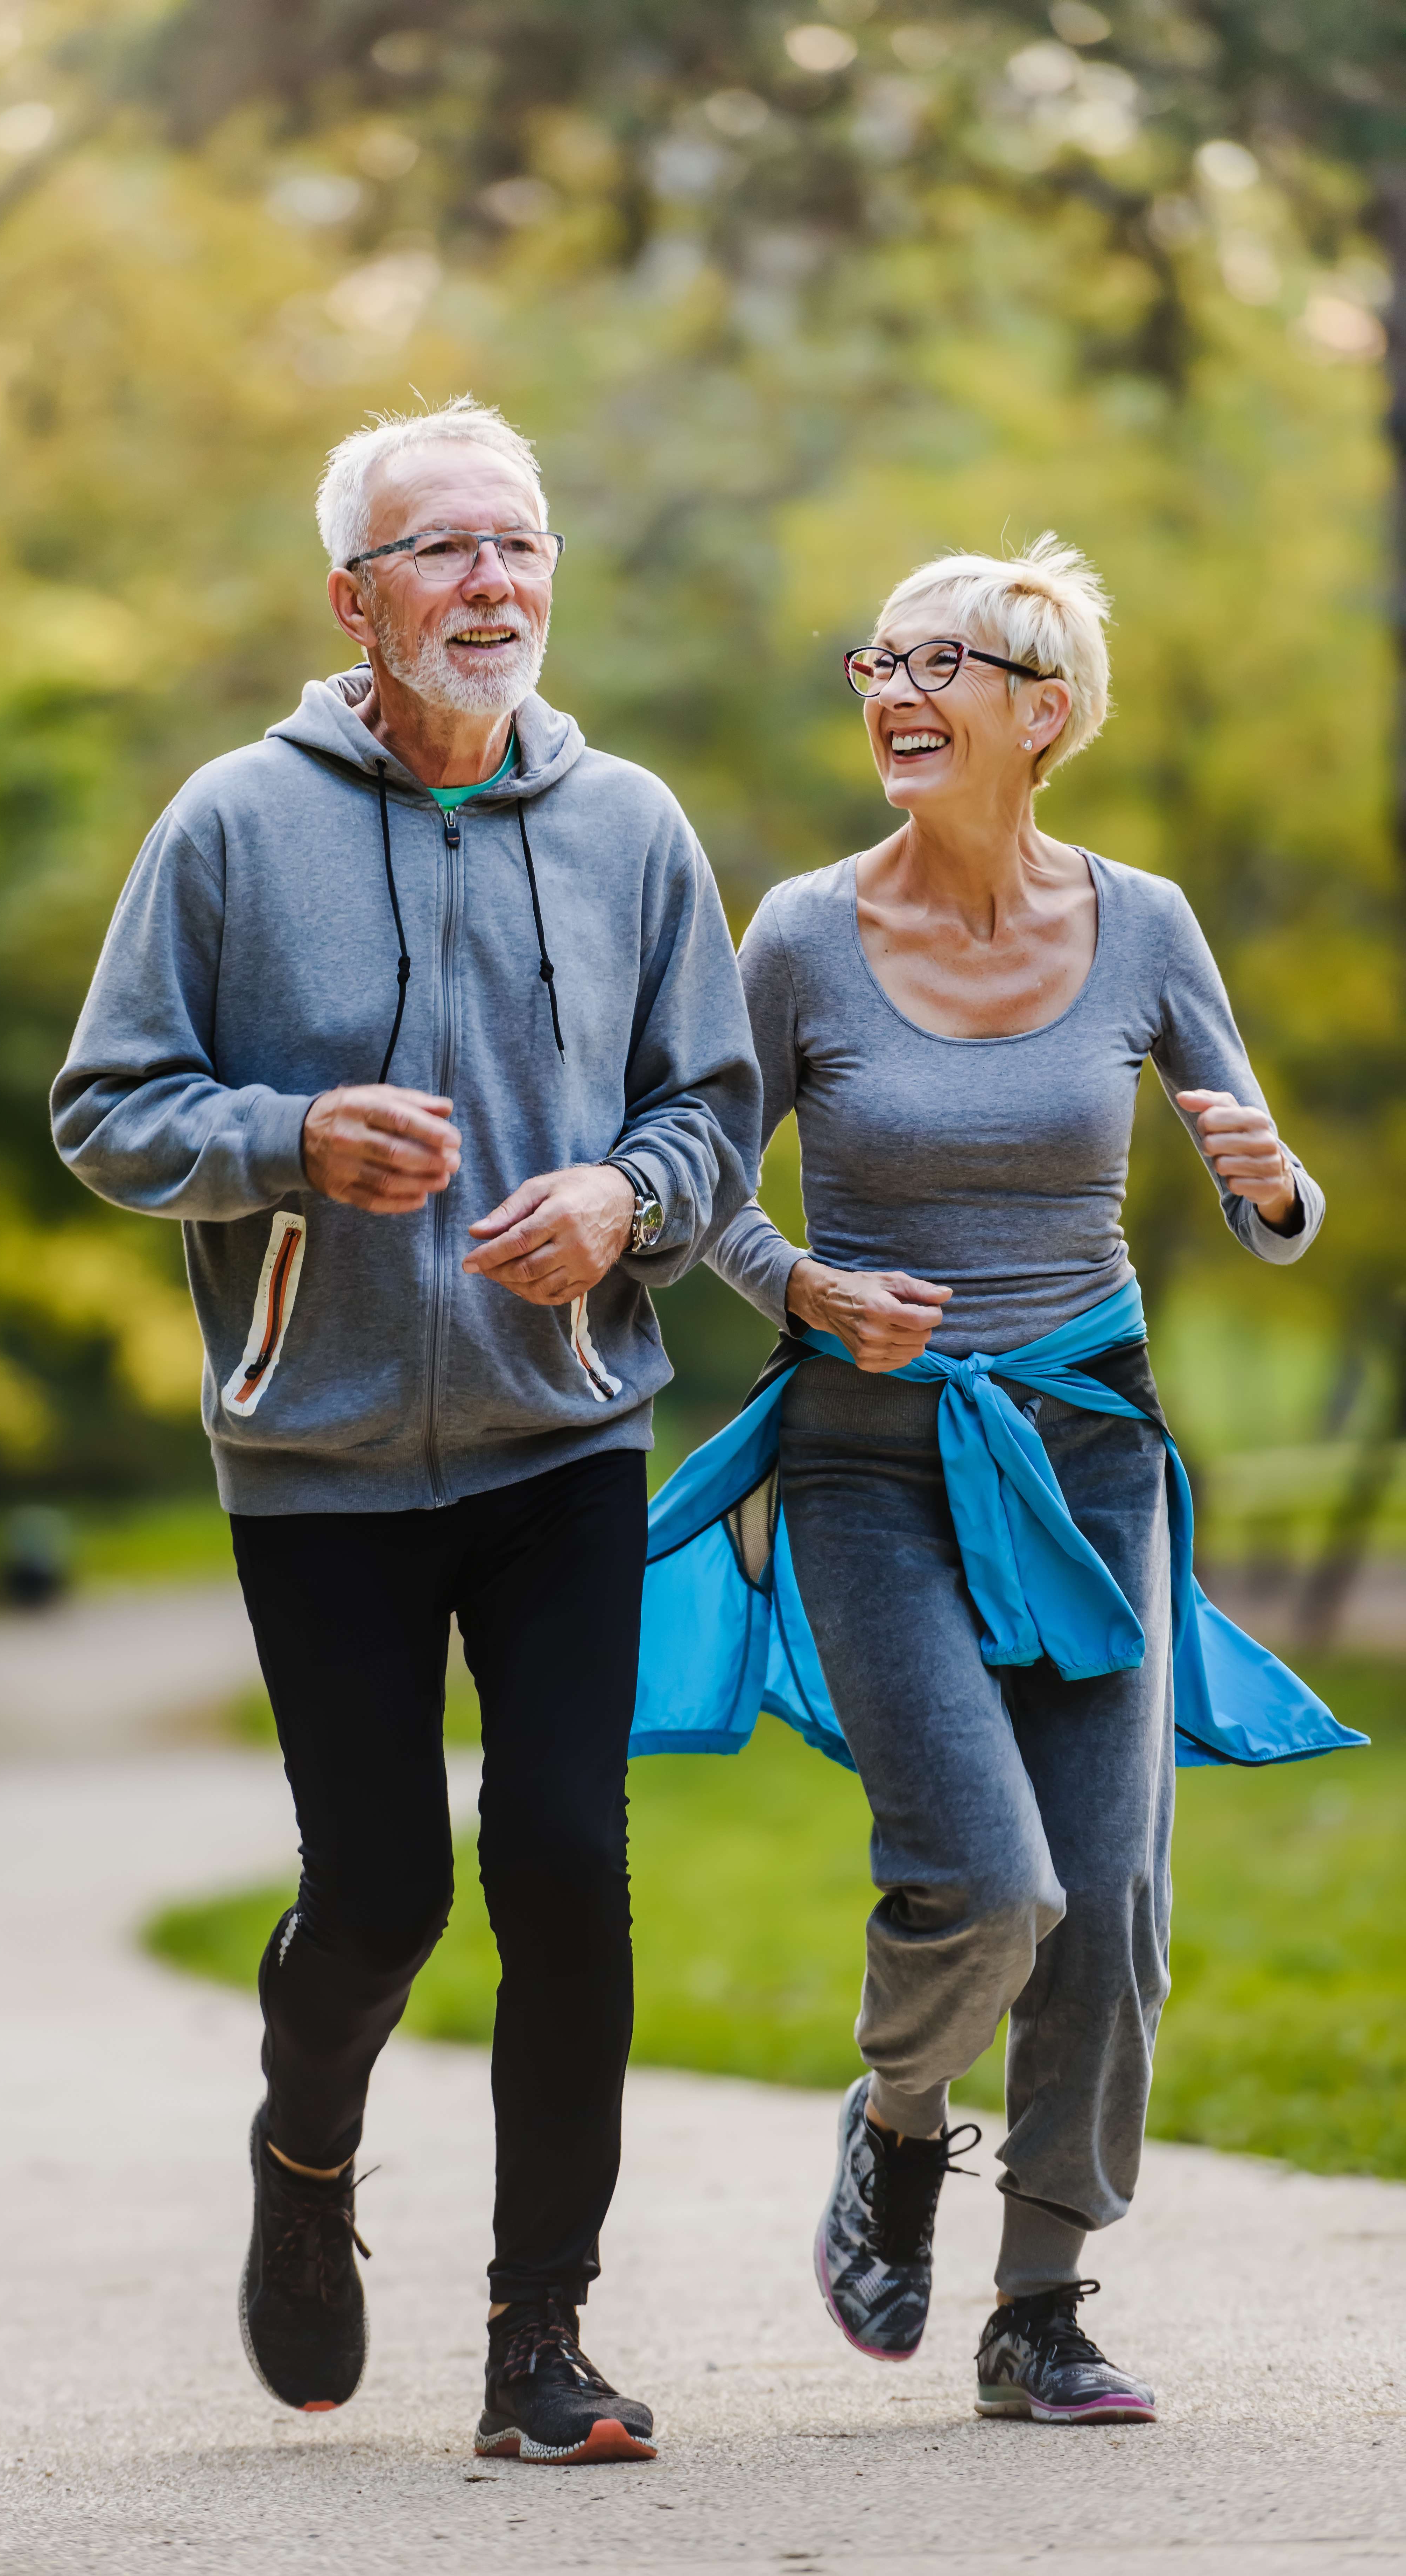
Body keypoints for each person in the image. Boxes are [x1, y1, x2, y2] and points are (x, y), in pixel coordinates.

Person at [50, 398, 760, 2464]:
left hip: (568, 1435)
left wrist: (625, 1198)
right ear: (354, 598)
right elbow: (107, 1110)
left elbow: (712, 1110)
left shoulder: (630, 826)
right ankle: (304, 2162)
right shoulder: (229, 824)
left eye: (519, 543)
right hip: (323, 1456)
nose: (492, 583)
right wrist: (287, 1140)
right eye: (443, 547)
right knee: (377, 1893)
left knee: (563, 1867)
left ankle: (542, 2341)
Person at [699, 536, 1330, 2423]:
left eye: (939, 666)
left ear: (1043, 713)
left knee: (1109, 1904)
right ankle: (899, 2121)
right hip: (869, 1460)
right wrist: (799, 1283)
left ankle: (1040, 2306)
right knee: (988, 1881)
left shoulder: (1145, 925)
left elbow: (1269, 1201)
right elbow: (693, 1179)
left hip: (1088, 1458)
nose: (893, 694)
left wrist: (1279, 1186)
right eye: (877, 663)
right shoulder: (803, 934)